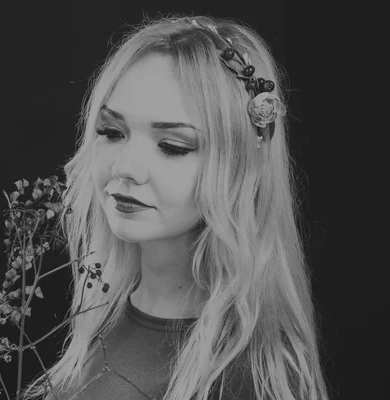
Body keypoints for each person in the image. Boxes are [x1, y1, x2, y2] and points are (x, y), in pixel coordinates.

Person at [21, 14, 330, 400]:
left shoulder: (242, 378)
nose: (125, 167)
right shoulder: (103, 315)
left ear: (238, 167)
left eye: (173, 146)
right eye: (112, 132)